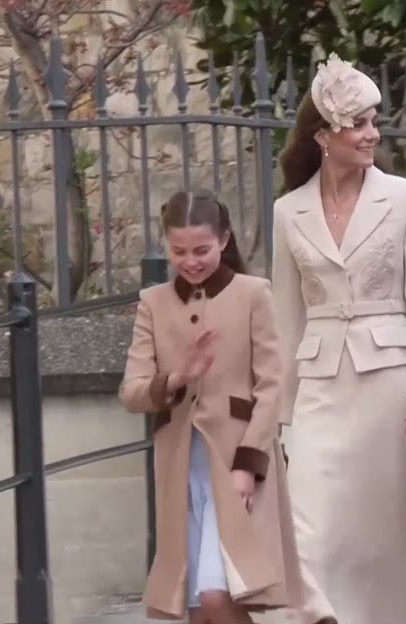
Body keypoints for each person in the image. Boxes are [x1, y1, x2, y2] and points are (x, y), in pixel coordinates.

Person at [271, 53, 406, 624]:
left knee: (395, 538)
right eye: (358, 123)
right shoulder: (288, 211)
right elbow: (287, 315)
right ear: (323, 135)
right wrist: (280, 414)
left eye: (374, 121)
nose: (372, 134)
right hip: (320, 391)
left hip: (392, 387)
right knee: (312, 529)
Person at [119, 190, 303, 623]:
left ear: (224, 240)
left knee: (220, 594)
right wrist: (177, 378)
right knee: (199, 604)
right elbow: (132, 391)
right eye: (178, 251)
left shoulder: (253, 293)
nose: (191, 261)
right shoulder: (153, 303)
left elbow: (273, 385)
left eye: (201, 250)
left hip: (237, 461)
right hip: (181, 467)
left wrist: (248, 462)